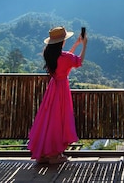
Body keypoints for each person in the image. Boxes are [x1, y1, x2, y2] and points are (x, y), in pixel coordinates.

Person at [28, 26, 87, 165]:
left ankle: (43, 153)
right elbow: (78, 61)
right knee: (58, 120)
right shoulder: (64, 57)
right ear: (62, 42)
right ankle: (54, 155)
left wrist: (76, 45)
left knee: (48, 119)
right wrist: (84, 45)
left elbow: (66, 60)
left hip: (52, 89)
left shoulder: (51, 55)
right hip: (61, 90)